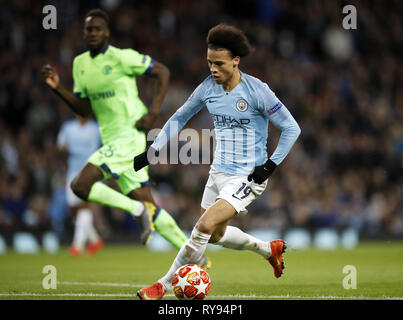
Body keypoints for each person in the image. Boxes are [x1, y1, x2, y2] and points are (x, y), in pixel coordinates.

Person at [134, 23, 301, 300]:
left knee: (202, 227)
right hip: (218, 172)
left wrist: (269, 166)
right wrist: (154, 149)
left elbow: (291, 128)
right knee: (215, 235)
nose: (213, 69)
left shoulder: (257, 91)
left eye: (219, 63)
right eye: (210, 62)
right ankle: (267, 249)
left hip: (248, 176)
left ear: (236, 61)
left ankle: (162, 286)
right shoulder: (207, 88)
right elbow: (179, 117)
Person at [41, 8, 210, 267]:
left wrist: (154, 113)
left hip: (129, 136)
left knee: (80, 185)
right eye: (89, 29)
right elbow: (84, 109)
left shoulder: (122, 58)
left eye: (98, 28)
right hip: (113, 140)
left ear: (107, 32)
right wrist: (57, 88)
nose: (93, 33)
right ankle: (197, 256)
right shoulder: (80, 65)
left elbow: (162, 72)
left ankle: (136, 210)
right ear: (84, 34)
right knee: (150, 206)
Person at [57, 116, 104, 256]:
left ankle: (77, 245)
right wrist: (63, 149)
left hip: (90, 172)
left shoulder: (95, 128)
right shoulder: (67, 127)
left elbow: (103, 146)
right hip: (73, 172)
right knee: (74, 208)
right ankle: (94, 239)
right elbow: (60, 146)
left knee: (85, 206)